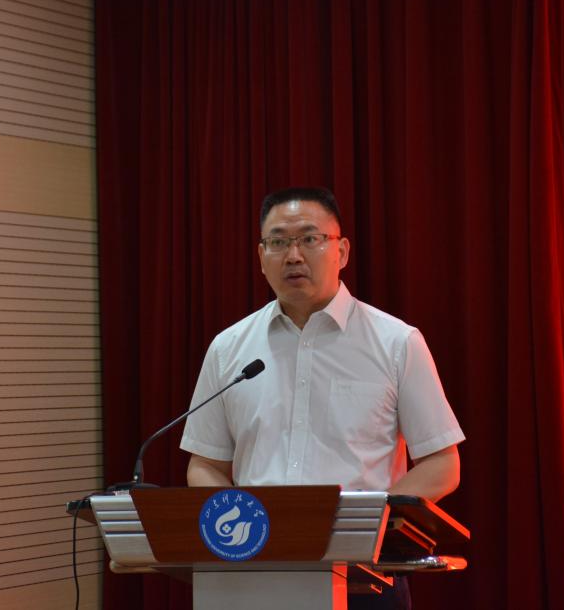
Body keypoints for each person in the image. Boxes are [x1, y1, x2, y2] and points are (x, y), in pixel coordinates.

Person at [180, 187, 465, 609]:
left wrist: (368, 524)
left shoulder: (396, 342)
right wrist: (242, 526)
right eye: (278, 242)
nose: (293, 255)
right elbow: (205, 464)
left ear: (342, 251)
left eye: (310, 239)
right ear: (261, 257)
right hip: (256, 571)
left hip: (363, 575)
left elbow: (442, 464)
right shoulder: (228, 348)